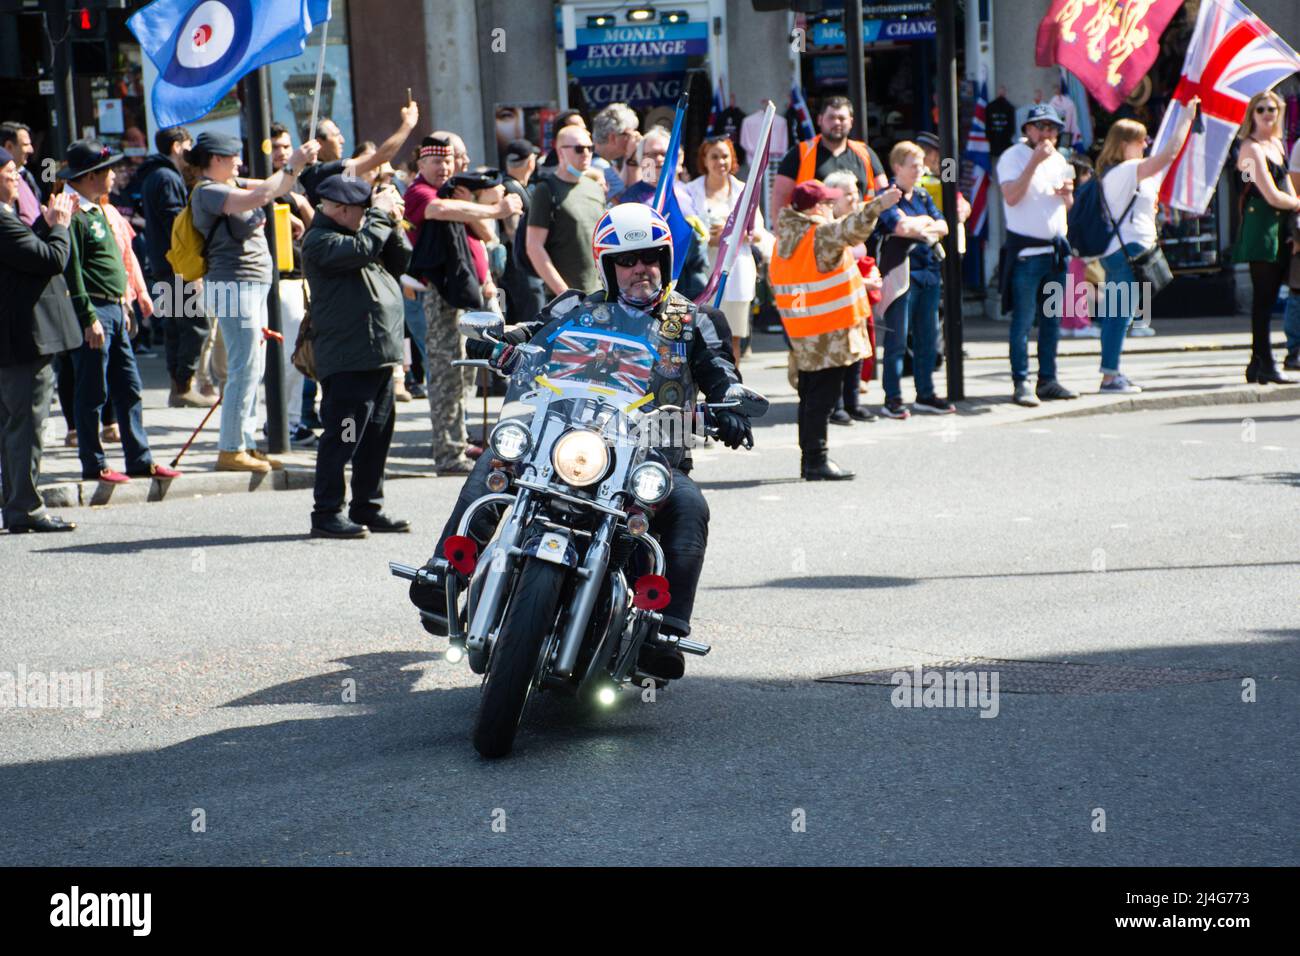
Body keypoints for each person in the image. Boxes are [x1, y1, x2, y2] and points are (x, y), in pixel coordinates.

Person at [408, 203, 751, 681]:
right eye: (627, 261)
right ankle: (445, 570)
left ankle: (665, 631)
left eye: (650, 258)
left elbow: (719, 371)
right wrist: (495, 342)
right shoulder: (575, 306)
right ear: (608, 266)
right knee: (500, 458)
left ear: (666, 261)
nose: (640, 269)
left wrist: (730, 402)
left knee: (689, 503)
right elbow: (530, 335)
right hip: (563, 439)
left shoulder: (693, 320)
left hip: (646, 453)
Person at [186, 130, 320, 474]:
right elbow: (263, 192)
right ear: (215, 160)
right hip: (233, 286)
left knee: (253, 367)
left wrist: (296, 169)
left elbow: (271, 187)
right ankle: (231, 448)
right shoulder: (209, 192)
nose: (239, 163)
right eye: (233, 157)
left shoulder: (230, 184)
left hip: (248, 285)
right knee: (244, 369)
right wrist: (292, 164)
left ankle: (244, 443)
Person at [60, 140, 181, 483]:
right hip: (95, 309)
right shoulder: (75, 215)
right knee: (92, 391)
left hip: (114, 306)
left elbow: (119, 261)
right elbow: (74, 272)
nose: (114, 175)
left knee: (129, 386)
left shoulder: (101, 210)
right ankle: (94, 462)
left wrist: (126, 301)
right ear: (91, 176)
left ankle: (139, 458)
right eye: (108, 170)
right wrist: (87, 316)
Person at [302, 174, 411, 538]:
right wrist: (379, 217)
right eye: (362, 211)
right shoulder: (321, 240)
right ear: (343, 210)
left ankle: (367, 505)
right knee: (344, 435)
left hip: (377, 355)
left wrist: (391, 220)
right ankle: (327, 511)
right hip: (350, 359)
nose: (367, 216)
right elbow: (362, 250)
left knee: (376, 435)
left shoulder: (361, 234)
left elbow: (402, 258)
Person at [404, 133, 520, 475]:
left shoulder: (454, 194)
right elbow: (439, 209)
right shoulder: (419, 192)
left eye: (448, 160)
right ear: (421, 164)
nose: (443, 167)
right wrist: (494, 208)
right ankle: (448, 453)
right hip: (441, 296)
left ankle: (457, 439)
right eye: (435, 161)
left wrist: (472, 206)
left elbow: (488, 234)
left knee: (466, 371)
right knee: (445, 373)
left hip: (470, 294)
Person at [770, 179, 900, 480]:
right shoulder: (819, 234)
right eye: (829, 204)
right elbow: (853, 227)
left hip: (803, 332)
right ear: (817, 208)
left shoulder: (785, 239)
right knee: (822, 400)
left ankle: (811, 459)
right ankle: (816, 461)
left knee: (810, 398)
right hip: (830, 334)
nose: (832, 209)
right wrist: (881, 203)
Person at [0, 148, 82, 532]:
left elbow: (28, 256)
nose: (17, 177)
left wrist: (46, 225)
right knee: (27, 427)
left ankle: (17, 503)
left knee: (16, 427)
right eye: (10, 170)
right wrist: (61, 225)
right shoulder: (2, 221)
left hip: (17, 340)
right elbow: (51, 260)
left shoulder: (10, 220)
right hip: (25, 342)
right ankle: (26, 509)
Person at [1093, 101, 1199, 394]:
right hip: (1128, 252)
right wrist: (1186, 119)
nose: (1146, 144)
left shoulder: (1120, 173)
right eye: (1142, 140)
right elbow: (1169, 154)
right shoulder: (1127, 169)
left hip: (1123, 251)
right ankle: (1110, 376)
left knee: (1118, 314)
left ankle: (1110, 373)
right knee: (1119, 315)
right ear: (1125, 144)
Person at [995, 103, 1078, 407]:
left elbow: (1068, 206)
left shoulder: (1060, 159)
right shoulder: (1012, 157)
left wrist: (1068, 194)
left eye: (1052, 128)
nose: (1047, 134)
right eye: (1040, 127)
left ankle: (1048, 379)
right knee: (1023, 320)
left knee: (1052, 321)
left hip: (1055, 253)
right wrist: (1033, 162)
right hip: (1027, 255)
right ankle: (1021, 381)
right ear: (1027, 130)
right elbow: (1012, 197)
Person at [872, 141, 954, 418]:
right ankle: (892, 398)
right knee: (896, 341)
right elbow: (899, 226)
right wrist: (923, 225)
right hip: (901, 276)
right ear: (897, 167)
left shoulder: (922, 194)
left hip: (929, 273)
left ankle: (925, 394)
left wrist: (917, 226)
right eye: (914, 165)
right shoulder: (886, 195)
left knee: (927, 339)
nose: (920, 169)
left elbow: (943, 225)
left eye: (921, 164)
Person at [137, 125, 214, 409]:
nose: (191, 152)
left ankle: (179, 386)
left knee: (175, 326)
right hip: (176, 265)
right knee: (195, 325)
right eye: (188, 145)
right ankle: (183, 384)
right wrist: (190, 267)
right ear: (177, 146)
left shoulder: (155, 175)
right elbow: (177, 226)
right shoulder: (167, 177)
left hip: (164, 263)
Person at [1232, 90, 1300, 385]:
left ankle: (1257, 363)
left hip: (1279, 225)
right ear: (1251, 114)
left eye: (1271, 108)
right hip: (1260, 227)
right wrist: (1297, 204)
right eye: (1260, 109)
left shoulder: (1276, 144)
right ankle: (1264, 362)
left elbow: (1288, 188)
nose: (1267, 114)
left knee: (1271, 297)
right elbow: (1271, 194)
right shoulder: (1250, 147)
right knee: (1264, 299)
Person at [683, 136, 771, 362]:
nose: (720, 162)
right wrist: (707, 237)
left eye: (725, 156)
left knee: (732, 338)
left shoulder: (744, 190)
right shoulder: (690, 190)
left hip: (736, 272)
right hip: (702, 271)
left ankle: (732, 385)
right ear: (704, 159)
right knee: (701, 336)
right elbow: (685, 228)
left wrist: (730, 234)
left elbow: (757, 232)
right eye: (714, 156)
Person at [824, 169, 880, 423]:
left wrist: (872, 272)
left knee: (857, 351)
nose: (855, 199)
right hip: (834, 301)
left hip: (856, 300)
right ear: (833, 197)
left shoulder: (854, 222)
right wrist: (862, 281)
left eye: (856, 193)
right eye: (849, 194)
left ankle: (853, 402)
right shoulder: (827, 227)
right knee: (837, 355)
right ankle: (835, 407)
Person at [527, 123, 606, 298]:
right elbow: (534, 246)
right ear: (561, 151)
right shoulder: (546, 190)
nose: (586, 153)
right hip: (565, 299)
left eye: (589, 148)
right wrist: (565, 294)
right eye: (579, 148)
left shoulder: (595, 187)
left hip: (601, 294)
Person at [771, 96, 888, 213]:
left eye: (842, 118)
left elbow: (883, 192)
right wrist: (782, 230)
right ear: (819, 120)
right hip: (816, 229)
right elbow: (780, 197)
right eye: (831, 118)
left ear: (851, 122)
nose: (837, 122)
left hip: (859, 228)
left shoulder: (865, 153)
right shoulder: (800, 153)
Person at [299, 106, 418, 206]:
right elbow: (379, 157)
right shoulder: (321, 172)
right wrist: (407, 124)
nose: (342, 140)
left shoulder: (327, 172)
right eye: (336, 136)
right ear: (319, 143)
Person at [499, 138, 545, 325]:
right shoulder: (511, 188)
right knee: (531, 318)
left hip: (513, 267)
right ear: (530, 162)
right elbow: (512, 230)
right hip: (520, 269)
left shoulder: (510, 185)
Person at [591, 102, 640, 201]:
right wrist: (633, 159)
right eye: (629, 135)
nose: (633, 138)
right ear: (613, 137)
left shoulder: (607, 161)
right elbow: (635, 199)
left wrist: (630, 157)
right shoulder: (599, 166)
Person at [0, 121, 42, 226]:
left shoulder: (27, 176)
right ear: (9, 146)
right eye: (26, 145)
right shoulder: (4, 184)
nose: (31, 150)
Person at [1286, 135, 1300, 371]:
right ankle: (1143, 321)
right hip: (1139, 243)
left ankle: (1143, 320)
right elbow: (1295, 191)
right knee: (1140, 286)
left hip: (1143, 242)